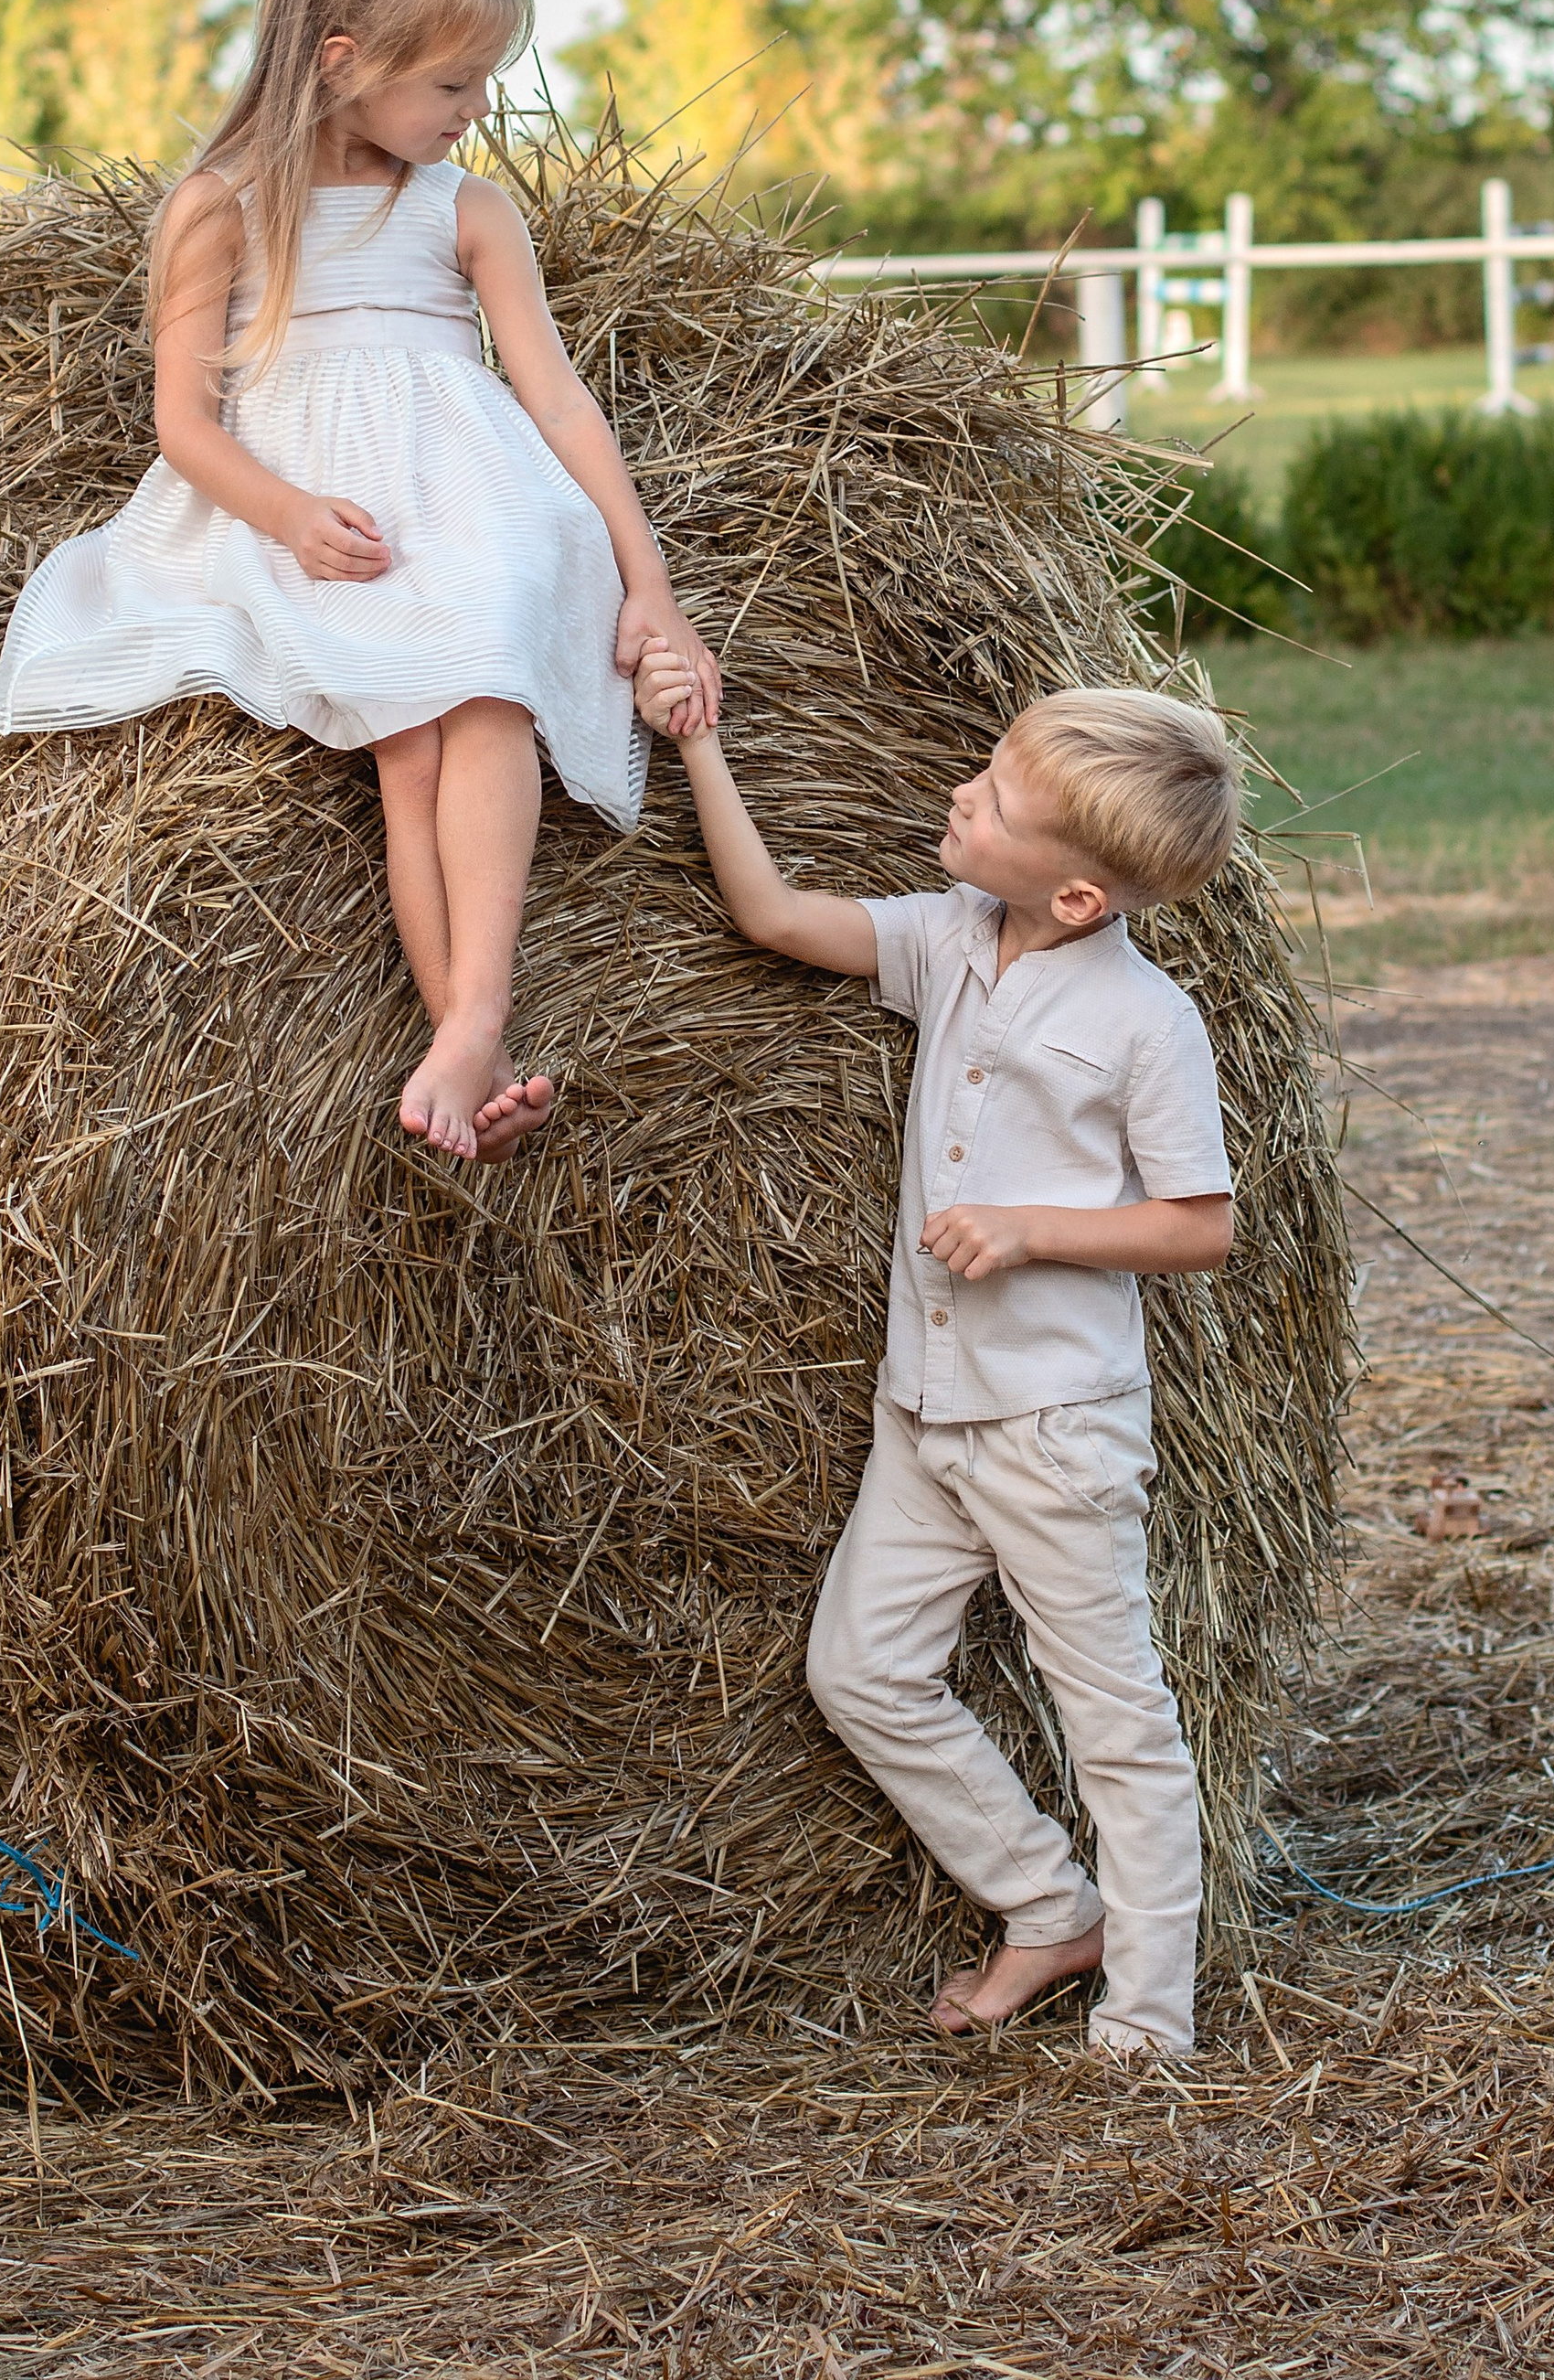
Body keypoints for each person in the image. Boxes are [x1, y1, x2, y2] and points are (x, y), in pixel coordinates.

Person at [0, 0, 719, 1162]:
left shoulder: (467, 211)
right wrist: (283, 517)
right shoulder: (217, 210)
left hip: (465, 499)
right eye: (452, 84)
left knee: (488, 676)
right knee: (409, 748)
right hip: (314, 514)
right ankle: (466, 1037)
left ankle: (473, 1019)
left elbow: (556, 405)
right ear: (340, 59)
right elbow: (185, 426)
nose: (477, 112)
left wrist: (646, 580)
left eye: (485, 81)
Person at [632, 655, 1239, 2058]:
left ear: (1080, 896)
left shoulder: (1147, 1025)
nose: (963, 794)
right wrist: (701, 745)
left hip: (1052, 1429)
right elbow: (774, 916)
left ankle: (1150, 2016)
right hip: (928, 1411)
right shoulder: (954, 937)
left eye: (999, 797)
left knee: (1118, 1724)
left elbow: (1202, 1226)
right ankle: (1046, 1904)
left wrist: (1032, 1229)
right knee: (860, 1672)